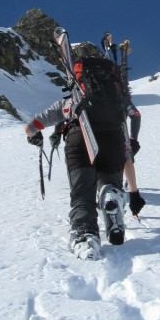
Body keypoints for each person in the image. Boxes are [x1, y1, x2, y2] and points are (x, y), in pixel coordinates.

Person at [24, 53, 146, 261]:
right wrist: (134, 193)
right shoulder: (119, 102)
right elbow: (135, 116)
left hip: (80, 138)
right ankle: (111, 194)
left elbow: (30, 127)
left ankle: (85, 236)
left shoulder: (69, 102)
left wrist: (34, 137)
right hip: (115, 139)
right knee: (109, 180)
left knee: (82, 195)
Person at [101, 31, 142, 192]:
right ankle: (127, 185)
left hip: (99, 123)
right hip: (119, 129)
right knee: (125, 155)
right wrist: (133, 139)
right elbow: (136, 115)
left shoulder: (100, 93)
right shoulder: (122, 97)